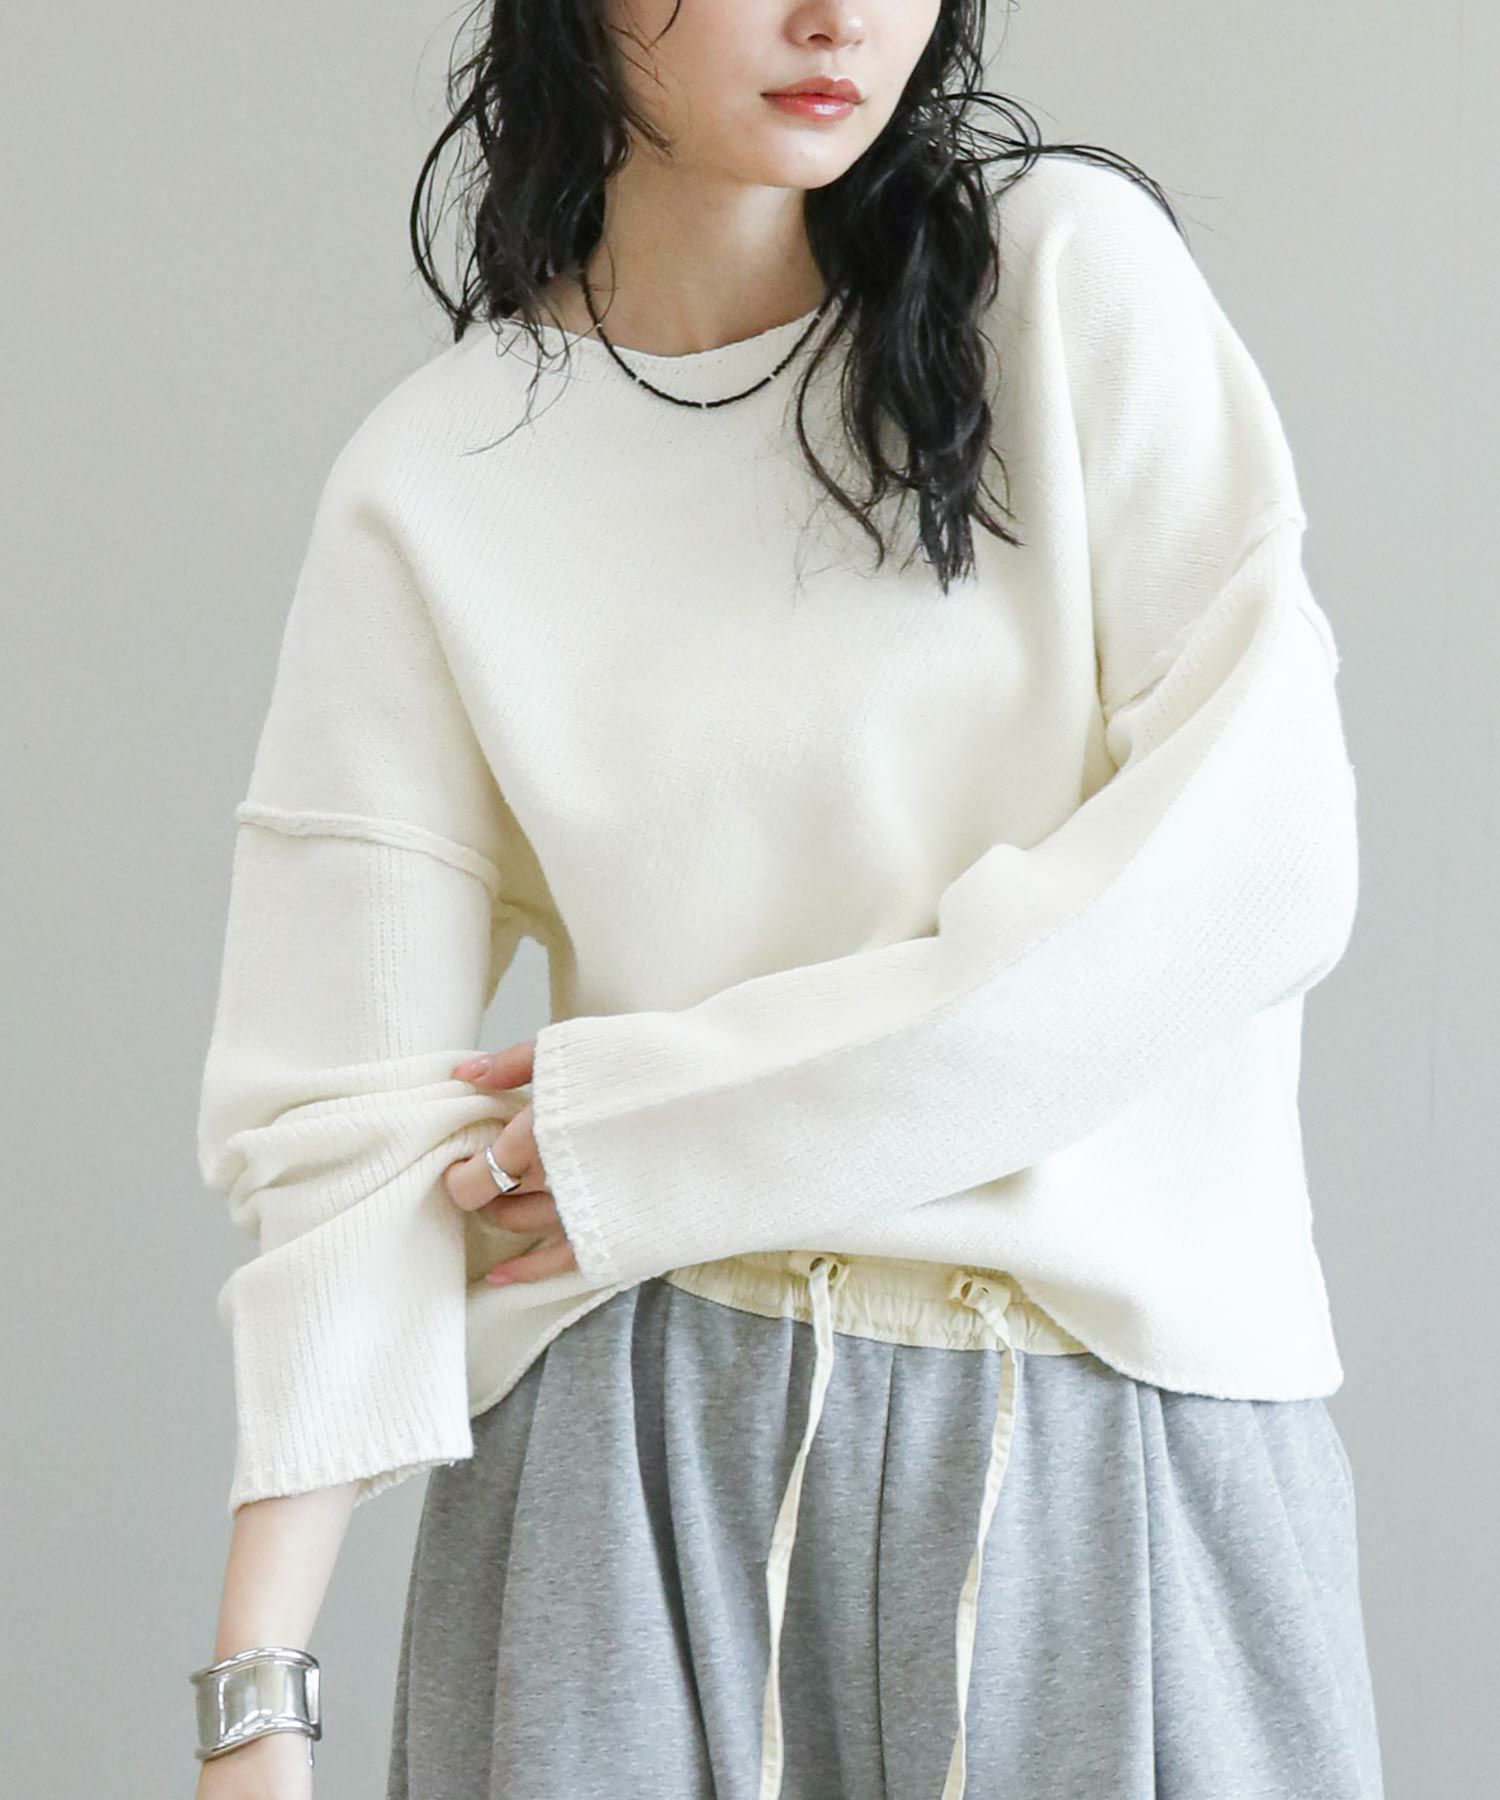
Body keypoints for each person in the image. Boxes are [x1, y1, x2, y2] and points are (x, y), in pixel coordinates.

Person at [190, 3, 1386, 1796]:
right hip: (628, 1485)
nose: (841, 16)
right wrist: (258, 1700)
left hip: (1106, 1452)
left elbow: (1252, 873)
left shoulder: (1066, 282)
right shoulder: (435, 476)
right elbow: (334, 1122)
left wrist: (668, 1130)